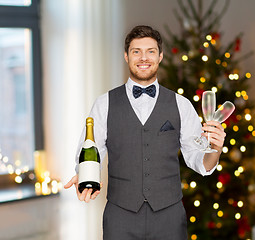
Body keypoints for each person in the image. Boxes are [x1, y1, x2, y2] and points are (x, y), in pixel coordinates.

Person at [64, 25, 226, 240]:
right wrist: (83, 175)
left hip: (169, 216)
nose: (143, 58)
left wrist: (215, 149)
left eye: (150, 51)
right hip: (120, 217)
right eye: (136, 51)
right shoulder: (104, 104)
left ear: (160, 56)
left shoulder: (181, 104)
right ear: (126, 56)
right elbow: (90, 151)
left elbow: (199, 162)